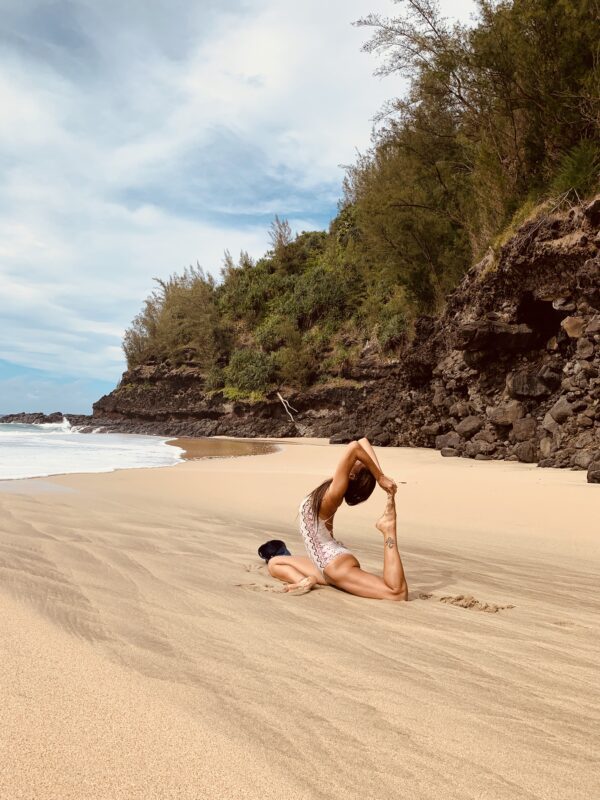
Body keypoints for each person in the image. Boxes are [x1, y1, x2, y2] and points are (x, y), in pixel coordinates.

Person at [267, 437, 408, 600]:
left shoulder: (333, 494)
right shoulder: (334, 489)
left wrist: (380, 477)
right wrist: (379, 475)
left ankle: (388, 528)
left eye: (360, 462)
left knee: (396, 592)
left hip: (334, 565)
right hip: (325, 564)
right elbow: (363, 441)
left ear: (353, 475)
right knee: (274, 563)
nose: (362, 459)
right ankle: (304, 580)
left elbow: (355, 448)